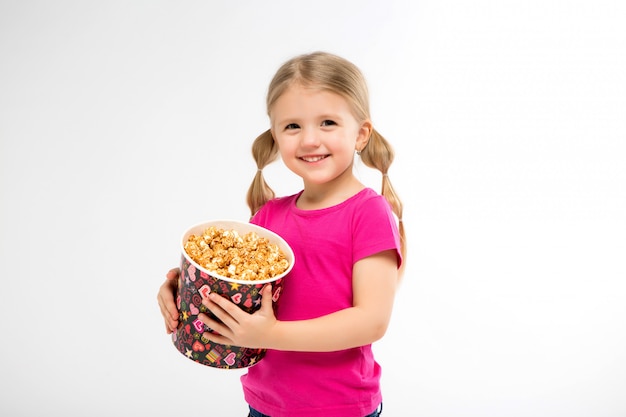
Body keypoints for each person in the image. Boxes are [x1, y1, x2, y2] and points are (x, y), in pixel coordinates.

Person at [157, 51, 406, 417]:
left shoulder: (367, 212)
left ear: (361, 134)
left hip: (342, 408)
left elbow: (372, 320)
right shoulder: (267, 217)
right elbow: (241, 295)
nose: (309, 140)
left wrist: (270, 335)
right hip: (265, 405)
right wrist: (184, 290)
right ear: (275, 136)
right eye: (292, 126)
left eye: (327, 123)